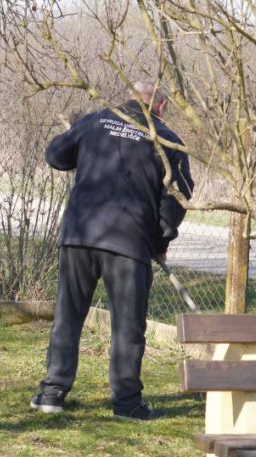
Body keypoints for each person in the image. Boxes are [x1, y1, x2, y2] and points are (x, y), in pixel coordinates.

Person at [31, 81, 194, 420]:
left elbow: (54, 155)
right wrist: (160, 240)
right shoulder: (167, 139)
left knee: (68, 315)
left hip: (79, 234)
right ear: (160, 107)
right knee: (128, 325)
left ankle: (52, 393)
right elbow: (178, 196)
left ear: (131, 97)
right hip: (129, 241)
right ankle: (127, 404)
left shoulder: (94, 121)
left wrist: (83, 143)